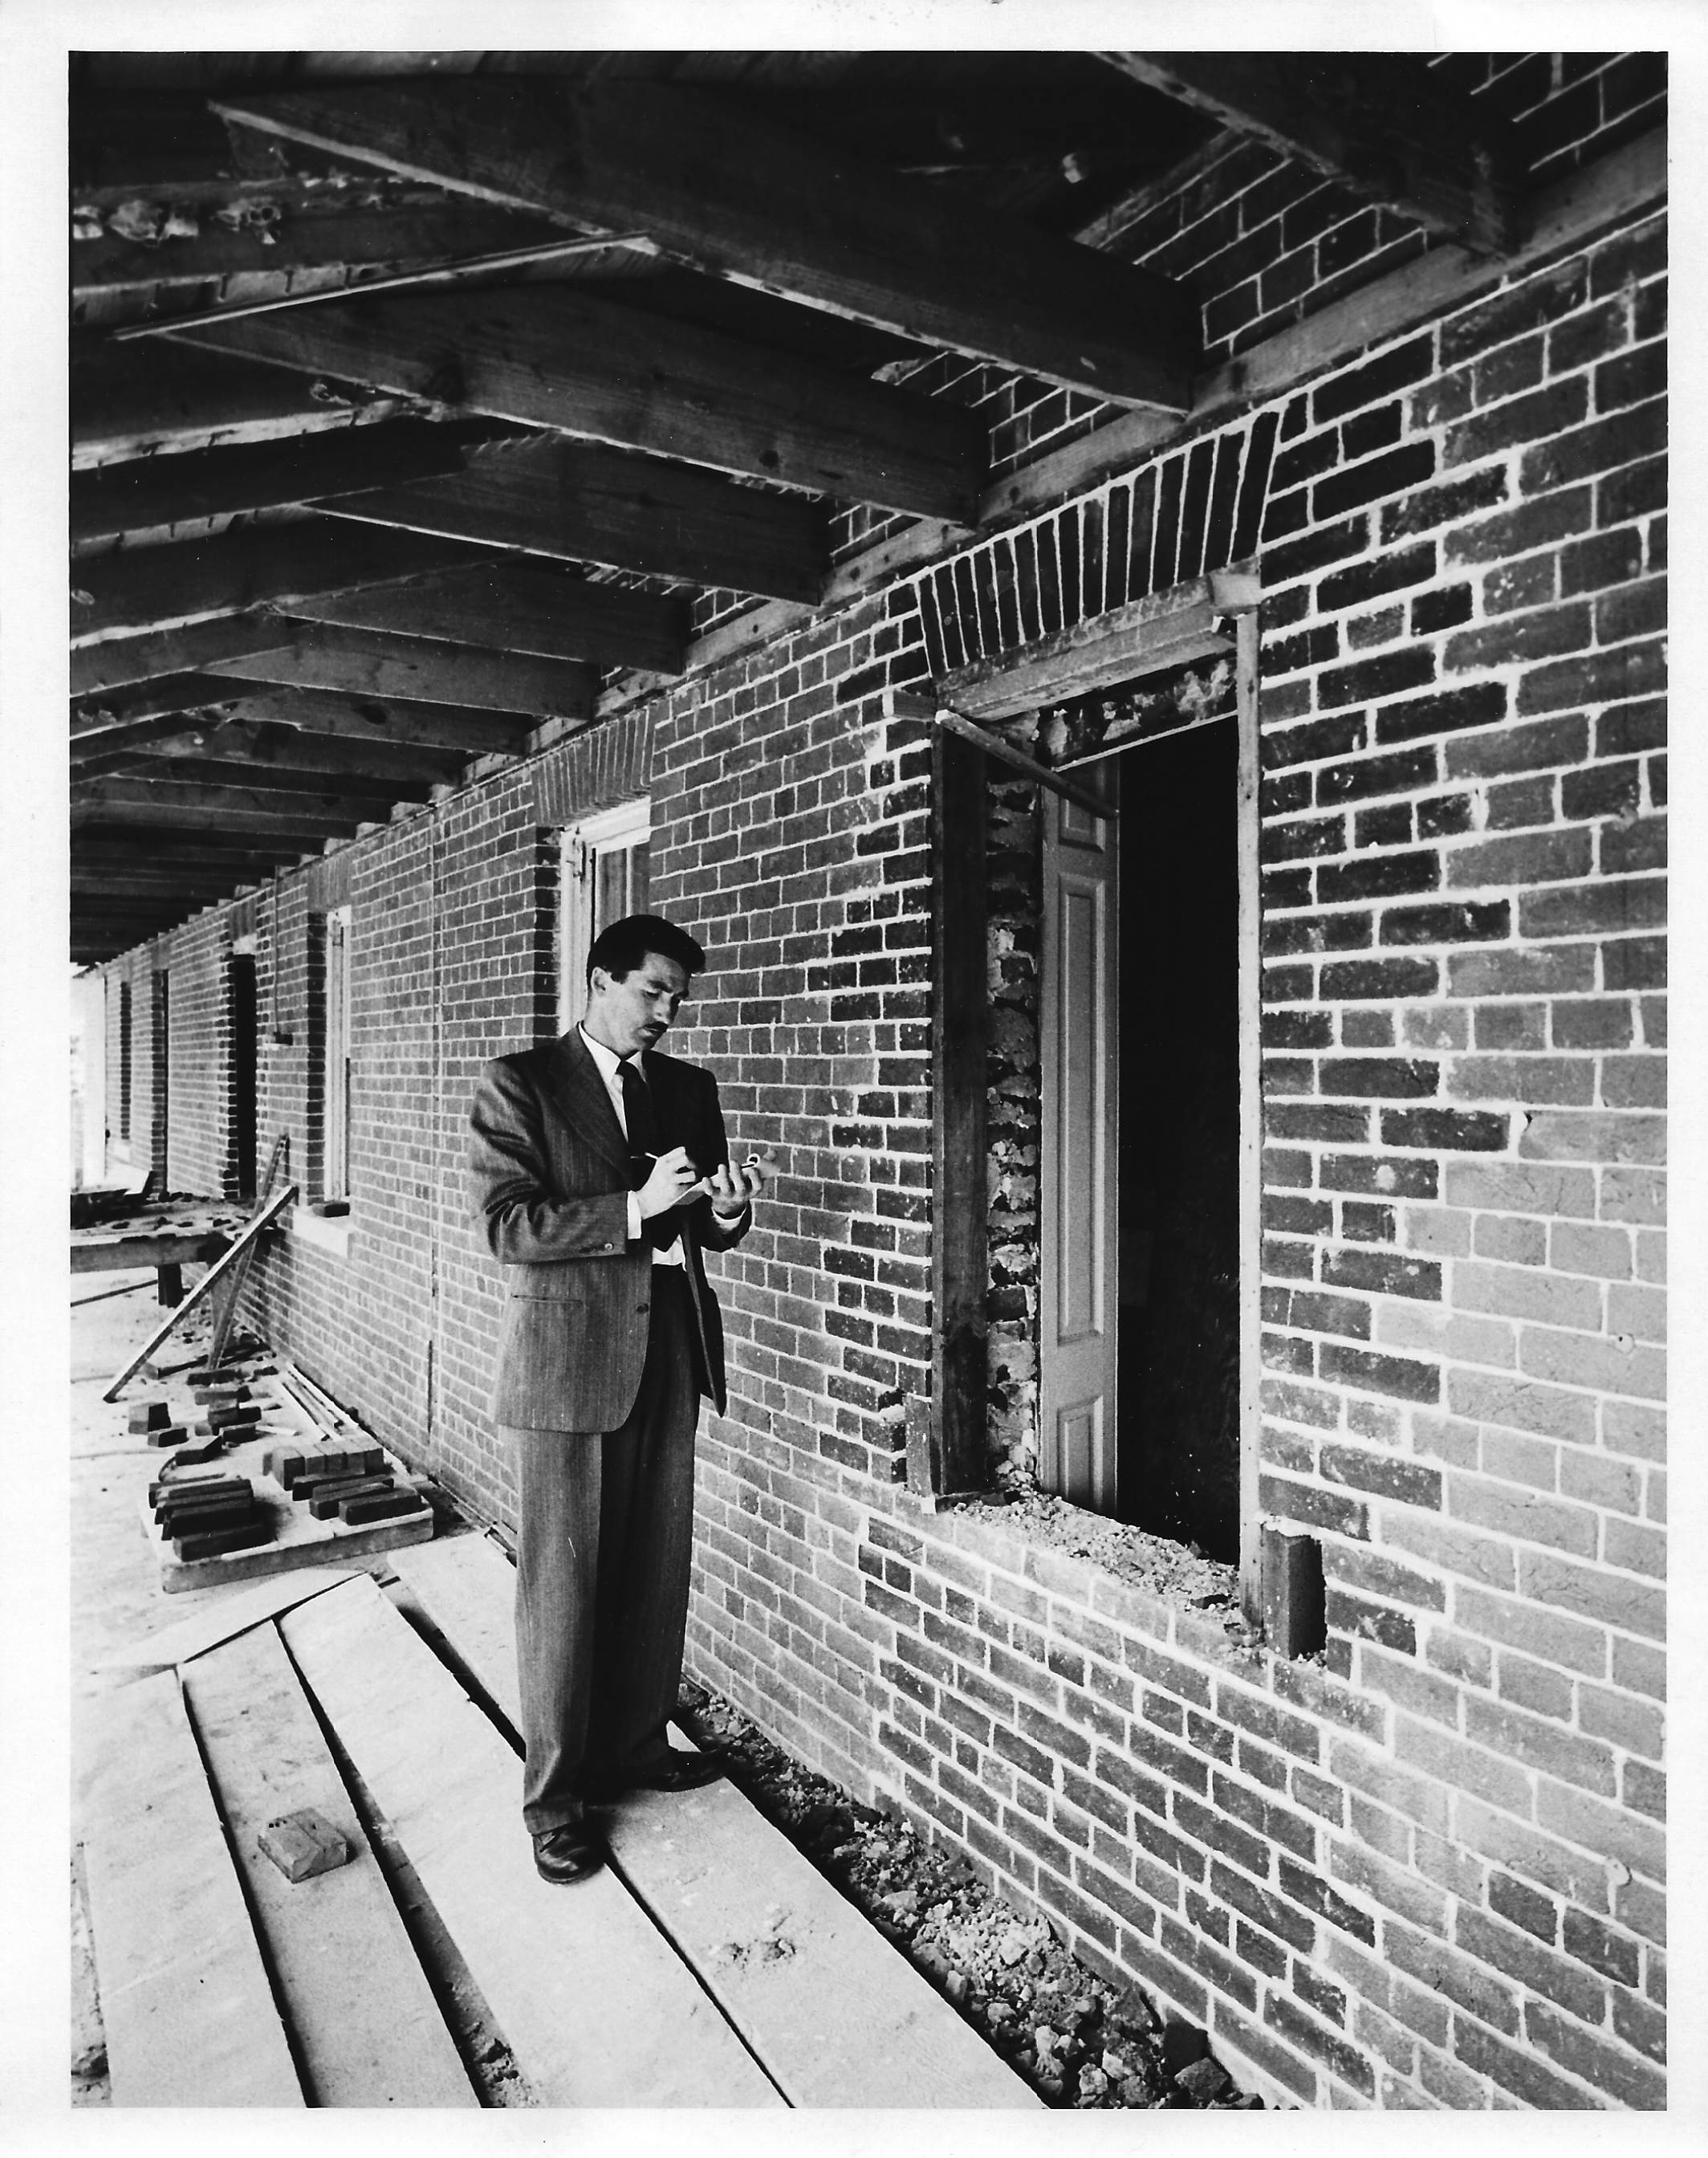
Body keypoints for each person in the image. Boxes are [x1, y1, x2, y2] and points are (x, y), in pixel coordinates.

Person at [467, 913, 764, 1884]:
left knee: (653, 1563)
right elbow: (510, 1226)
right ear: (599, 981)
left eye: (678, 998)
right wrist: (633, 1210)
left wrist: (723, 1210)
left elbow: (710, 1230)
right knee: (562, 1588)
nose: (666, 1014)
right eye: (651, 992)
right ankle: (555, 1803)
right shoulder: (524, 1084)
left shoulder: (689, 1088)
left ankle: (637, 1746)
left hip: (668, 1348)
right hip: (567, 1367)